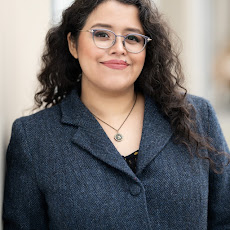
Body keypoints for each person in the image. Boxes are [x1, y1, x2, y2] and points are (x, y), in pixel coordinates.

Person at [3, 0, 230, 229]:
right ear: (72, 44)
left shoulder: (198, 117)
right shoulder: (33, 138)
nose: (119, 48)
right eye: (102, 34)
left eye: (132, 38)